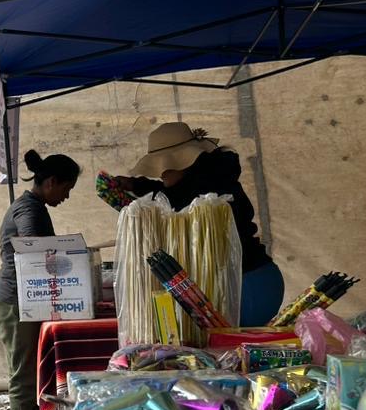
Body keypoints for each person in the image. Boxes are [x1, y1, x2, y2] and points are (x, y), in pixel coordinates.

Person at [117, 121, 284, 326]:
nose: (161, 173)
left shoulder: (208, 190)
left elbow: (175, 199)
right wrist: (136, 185)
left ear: (184, 162)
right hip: (255, 280)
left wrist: (137, 189)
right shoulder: (207, 179)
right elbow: (171, 193)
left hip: (245, 285)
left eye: (164, 166)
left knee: (229, 350)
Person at [0, 149, 81, 410]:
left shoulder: (35, 206)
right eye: (66, 189)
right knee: (23, 375)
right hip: (15, 305)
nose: (66, 197)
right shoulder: (27, 210)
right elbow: (35, 249)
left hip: (27, 304)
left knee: (31, 372)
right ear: (51, 182)